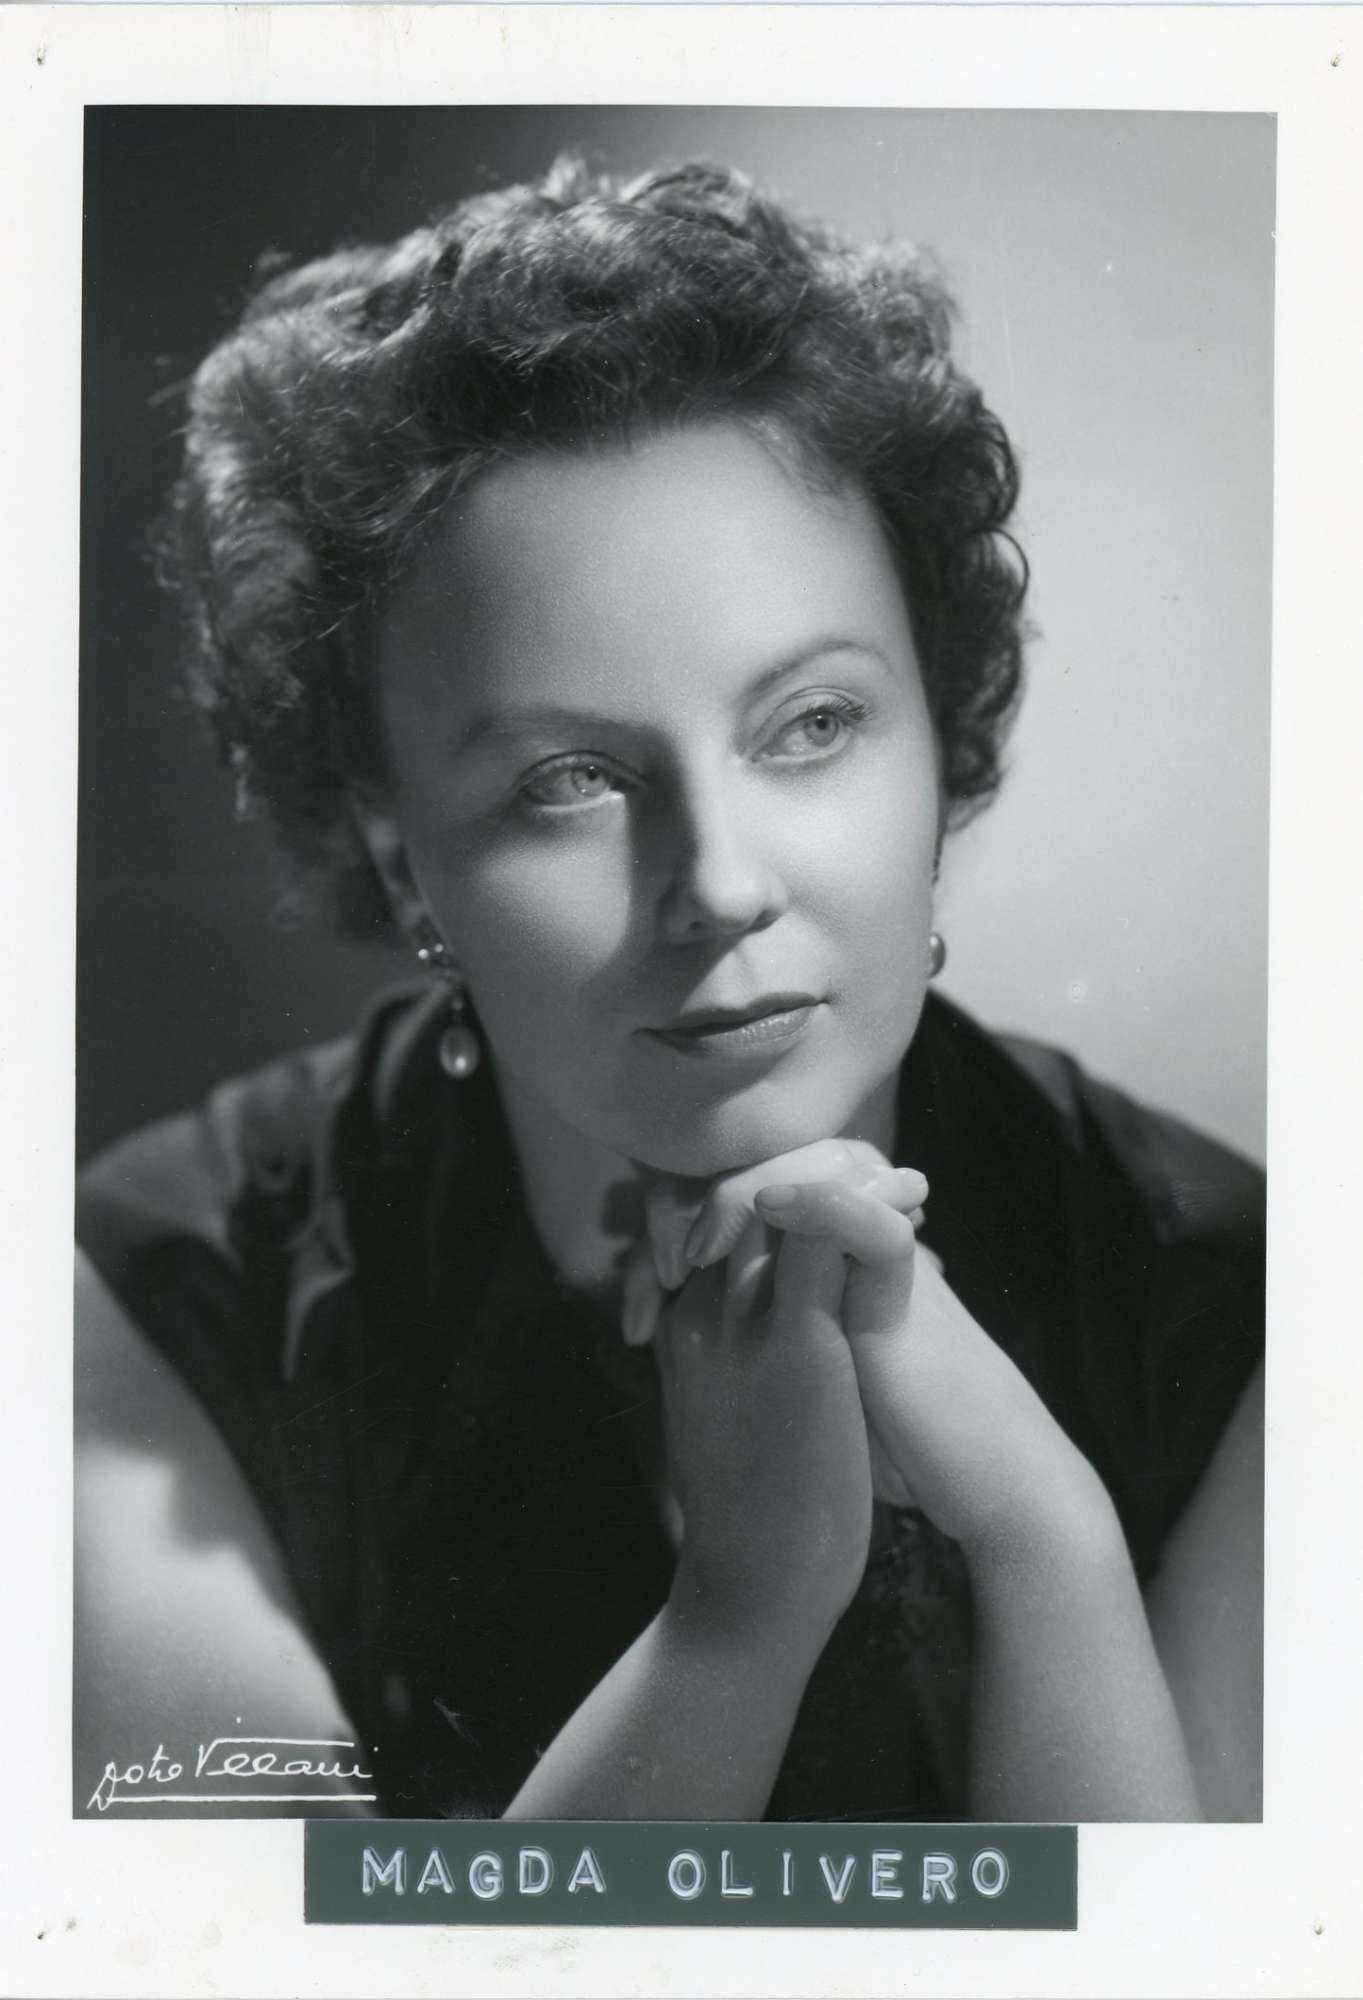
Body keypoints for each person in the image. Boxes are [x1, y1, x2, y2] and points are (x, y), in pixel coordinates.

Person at [74, 155, 1264, 1824]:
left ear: (941, 746)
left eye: (813, 725)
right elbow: (262, 1945)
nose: (718, 882)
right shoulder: (138, 1314)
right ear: (403, 860)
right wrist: (741, 1621)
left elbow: (1205, 1947)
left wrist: (1042, 1544)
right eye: (568, 779)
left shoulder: (1253, 1311)